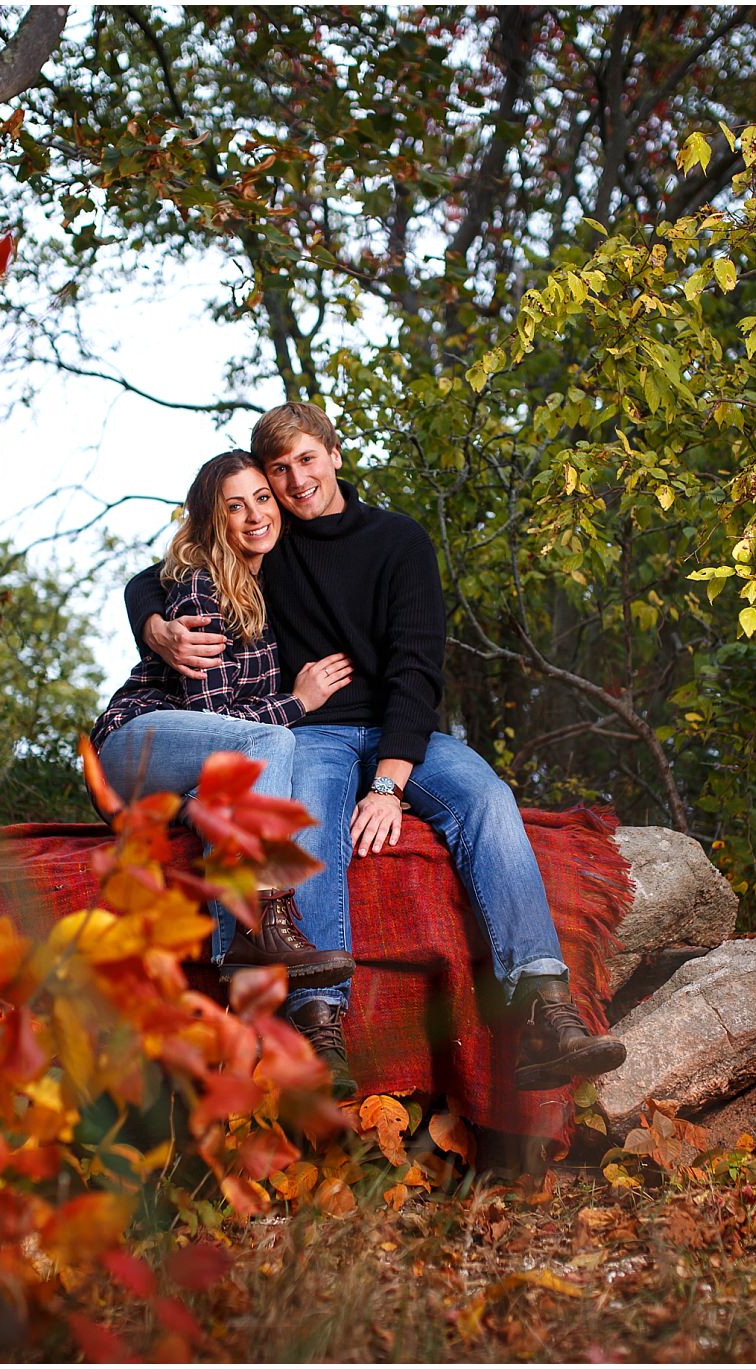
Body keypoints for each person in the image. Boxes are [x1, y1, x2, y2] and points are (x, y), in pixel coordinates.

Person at [126, 402, 625, 1095]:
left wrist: (389, 782)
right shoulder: (267, 542)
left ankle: (546, 1007)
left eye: (307, 459)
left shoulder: (399, 540)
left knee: (485, 795)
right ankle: (320, 1023)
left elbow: (418, 670)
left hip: (403, 732)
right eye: (280, 470)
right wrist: (153, 624)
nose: (296, 481)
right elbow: (165, 571)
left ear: (334, 453)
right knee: (312, 817)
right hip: (316, 732)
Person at [91, 450, 356, 989]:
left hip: (184, 777)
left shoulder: (266, 581)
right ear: (215, 520)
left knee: (222, 806)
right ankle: (264, 924)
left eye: (263, 499)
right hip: (133, 747)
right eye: (236, 507)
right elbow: (213, 719)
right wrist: (299, 702)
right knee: (273, 743)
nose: (256, 515)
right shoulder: (201, 586)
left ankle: (237, 966)